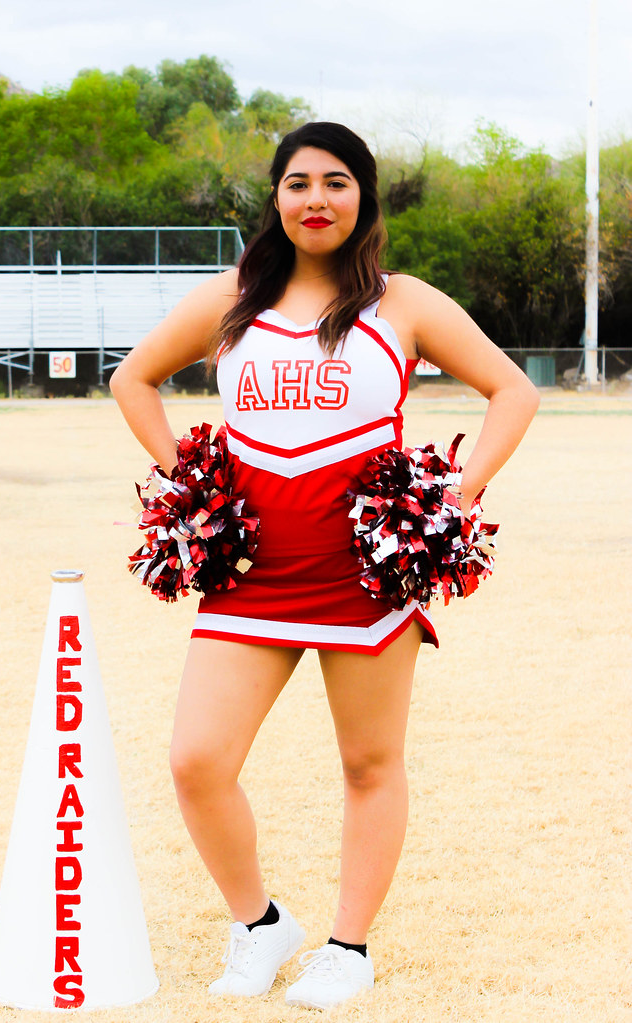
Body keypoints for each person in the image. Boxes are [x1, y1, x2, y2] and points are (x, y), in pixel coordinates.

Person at [110, 121, 539, 1010]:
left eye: (337, 182)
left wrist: (459, 494)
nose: (316, 199)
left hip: (365, 580)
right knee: (196, 759)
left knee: (369, 764)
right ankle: (261, 924)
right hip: (251, 575)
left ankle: (347, 947)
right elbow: (133, 378)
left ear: (364, 197)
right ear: (275, 197)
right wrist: (184, 482)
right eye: (299, 182)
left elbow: (512, 389)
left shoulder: (403, 303)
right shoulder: (232, 299)